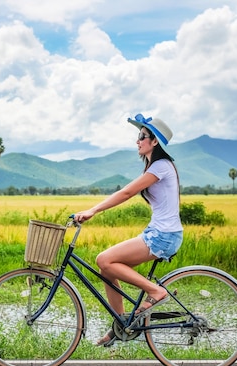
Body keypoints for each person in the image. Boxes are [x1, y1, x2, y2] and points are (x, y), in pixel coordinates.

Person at [73, 113, 183, 346]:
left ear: (155, 142)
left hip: (163, 236)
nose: (138, 140)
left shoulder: (161, 166)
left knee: (105, 259)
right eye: (139, 135)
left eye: (142, 136)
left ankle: (156, 292)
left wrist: (93, 210)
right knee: (108, 269)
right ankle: (121, 323)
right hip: (157, 233)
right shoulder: (156, 167)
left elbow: (126, 193)